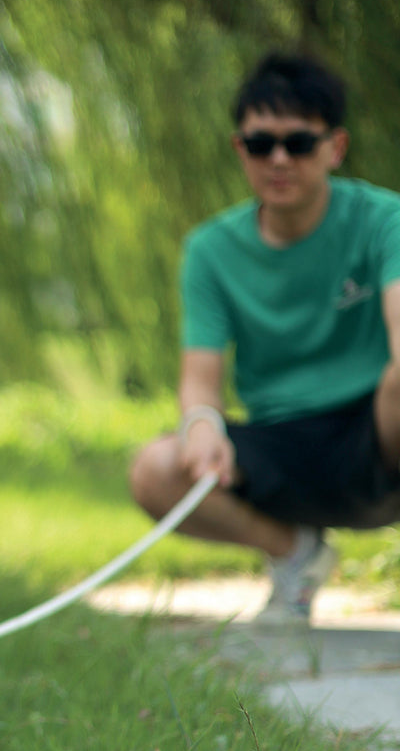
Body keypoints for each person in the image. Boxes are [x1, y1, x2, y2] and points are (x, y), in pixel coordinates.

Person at [130, 50, 400, 623]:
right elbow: (199, 382)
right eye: (260, 144)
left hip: (378, 432)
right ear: (240, 149)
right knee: (156, 468)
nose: (279, 159)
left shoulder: (384, 220)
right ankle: (295, 554)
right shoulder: (210, 249)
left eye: (299, 143)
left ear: (335, 147)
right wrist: (201, 426)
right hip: (279, 443)